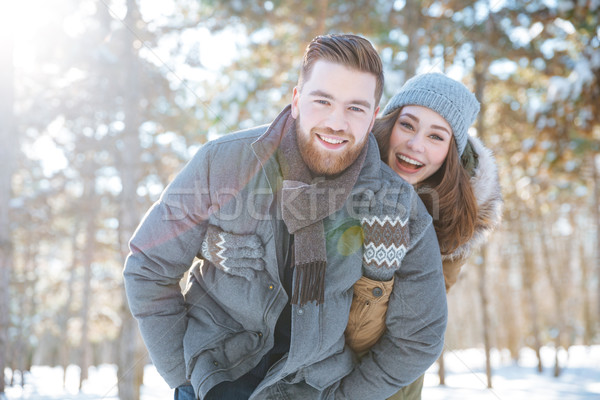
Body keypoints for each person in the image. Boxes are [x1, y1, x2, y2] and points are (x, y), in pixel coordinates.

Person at [123, 33, 448, 400]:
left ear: (373, 117)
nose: (337, 122)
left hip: (317, 388)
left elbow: (420, 335)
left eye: (355, 108)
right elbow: (148, 266)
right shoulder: (223, 164)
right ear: (296, 100)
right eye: (322, 100)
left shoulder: (397, 206)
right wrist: (182, 379)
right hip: (216, 378)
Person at [344, 72, 503, 399]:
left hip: (383, 385)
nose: (415, 146)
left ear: (451, 153)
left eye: (436, 136)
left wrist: (379, 272)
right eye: (408, 125)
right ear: (388, 125)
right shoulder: (340, 179)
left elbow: (399, 337)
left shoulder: (451, 224)